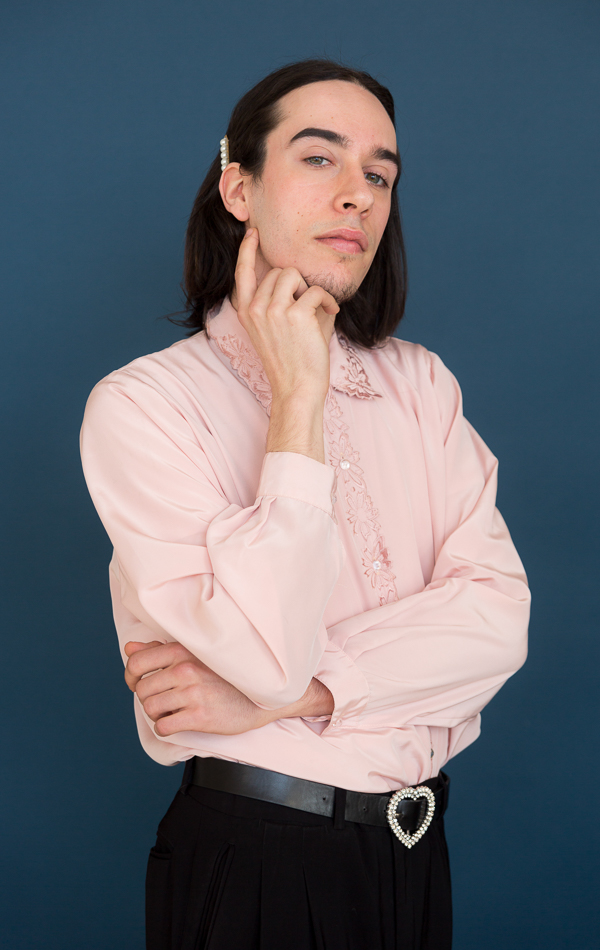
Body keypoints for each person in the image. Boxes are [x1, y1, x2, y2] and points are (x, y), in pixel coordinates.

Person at [80, 59, 530, 950]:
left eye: (380, 174)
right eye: (319, 158)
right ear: (238, 188)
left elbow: (496, 623)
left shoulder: (421, 386)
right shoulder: (143, 406)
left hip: (414, 853)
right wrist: (297, 399)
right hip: (259, 863)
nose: (357, 194)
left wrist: (294, 697)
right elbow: (267, 657)